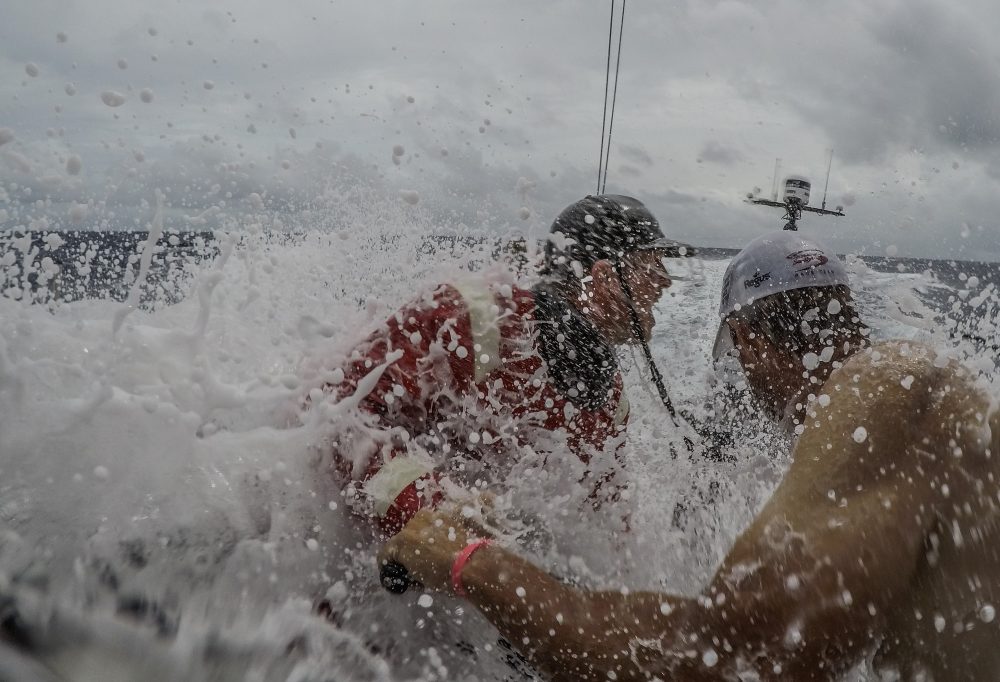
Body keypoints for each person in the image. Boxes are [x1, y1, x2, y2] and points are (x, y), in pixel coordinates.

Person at [379, 230, 1000, 681]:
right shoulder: (916, 402)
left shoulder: (893, 396)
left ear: (748, 344)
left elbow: (716, 663)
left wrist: (470, 563)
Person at [310, 194, 684, 540]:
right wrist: (434, 511)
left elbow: (608, 525)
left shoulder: (611, 400)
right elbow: (339, 416)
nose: (665, 281)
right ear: (604, 278)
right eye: (650, 265)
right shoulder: (476, 319)